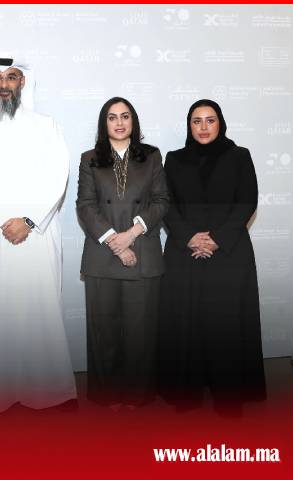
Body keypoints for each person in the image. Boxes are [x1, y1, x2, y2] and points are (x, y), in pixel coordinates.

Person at [0, 56, 77, 413]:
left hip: (37, 235)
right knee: (0, 313)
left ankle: (52, 391)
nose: (4, 84)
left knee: (43, 312)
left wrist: (28, 220)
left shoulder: (47, 126)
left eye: (11, 77)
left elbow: (58, 175)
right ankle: (3, 392)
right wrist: (1, 222)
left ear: (23, 82)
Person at [158, 99, 266, 416]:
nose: (203, 127)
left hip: (229, 253)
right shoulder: (174, 159)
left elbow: (247, 201)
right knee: (186, 324)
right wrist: (189, 237)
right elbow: (165, 203)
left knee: (226, 325)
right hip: (185, 252)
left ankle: (229, 397)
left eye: (210, 120)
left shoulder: (239, 156)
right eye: (197, 121)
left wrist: (217, 239)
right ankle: (187, 395)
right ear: (189, 126)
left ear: (220, 123)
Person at [76, 97, 169, 409]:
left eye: (125, 116)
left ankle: (138, 396)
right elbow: (85, 206)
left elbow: (161, 201)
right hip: (102, 255)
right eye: (112, 117)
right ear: (104, 123)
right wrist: (114, 241)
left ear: (133, 121)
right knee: (104, 332)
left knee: (140, 332)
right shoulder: (90, 158)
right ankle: (108, 396)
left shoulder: (151, 156)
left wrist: (131, 234)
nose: (119, 122)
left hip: (142, 252)